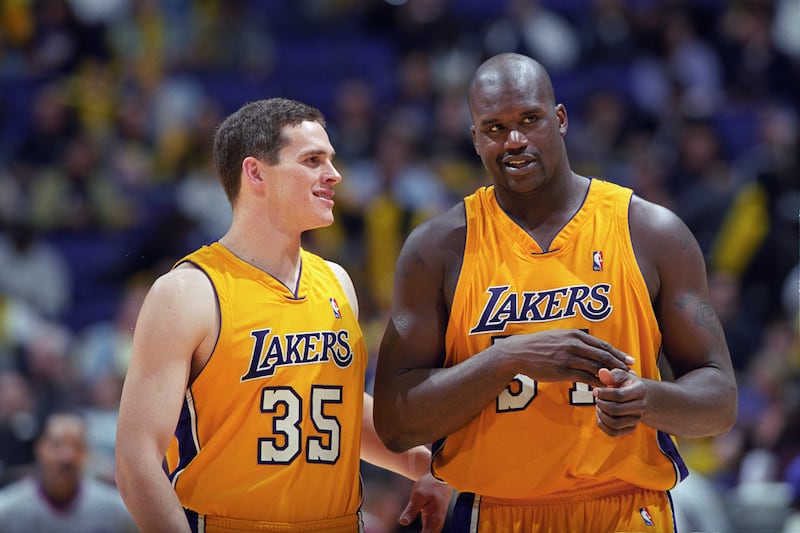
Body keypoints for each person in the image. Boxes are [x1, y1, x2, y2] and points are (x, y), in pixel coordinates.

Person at [372, 52, 738, 532]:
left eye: (529, 119)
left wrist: (647, 399)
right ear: (475, 138)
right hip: (495, 511)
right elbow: (397, 425)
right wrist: (508, 359)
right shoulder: (436, 249)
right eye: (495, 128)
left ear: (560, 119)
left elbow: (720, 399)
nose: (515, 140)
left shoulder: (650, 231)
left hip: (626, 508)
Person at [114, 97, 452, 533]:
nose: (334, 175)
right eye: (313, 161)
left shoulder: (338, 282)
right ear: (255, 172)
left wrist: (427, 466)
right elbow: (135, 460)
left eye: (330, 160)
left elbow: (341, 408)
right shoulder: (188, 291)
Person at [0, 411, 137, 533]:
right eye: (57, 445)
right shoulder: (7, 510)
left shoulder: (117, 511)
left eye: (76, 445)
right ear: (40, 448)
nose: (67, 456)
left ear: (87, 452)